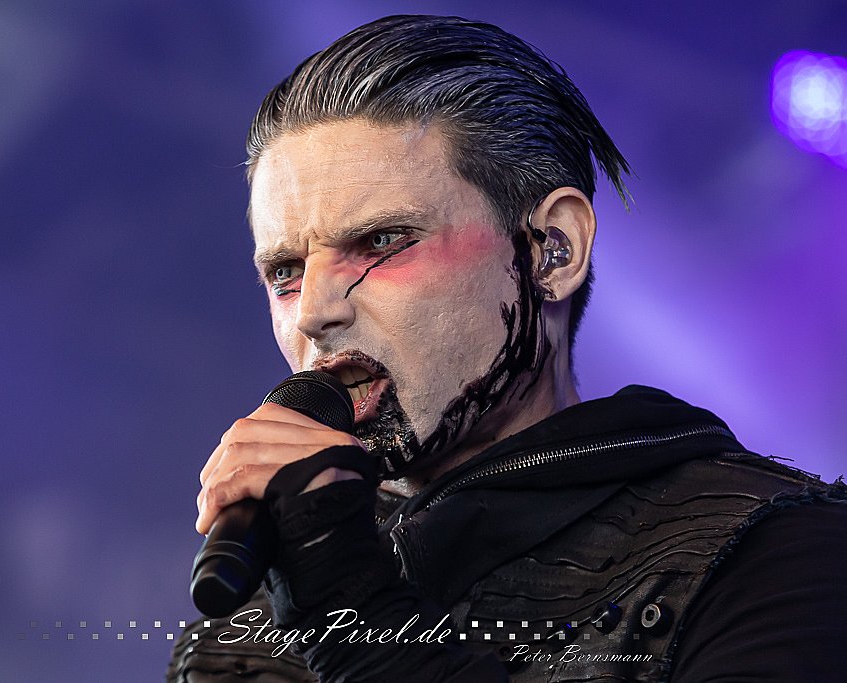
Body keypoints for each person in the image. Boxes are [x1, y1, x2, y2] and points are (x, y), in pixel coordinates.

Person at [168, 15, 847, 682]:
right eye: (285, 271)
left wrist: (355, 622)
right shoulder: (242, 640)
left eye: (381, 242)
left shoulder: (775, 557)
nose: (315, 311)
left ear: (553, 249)